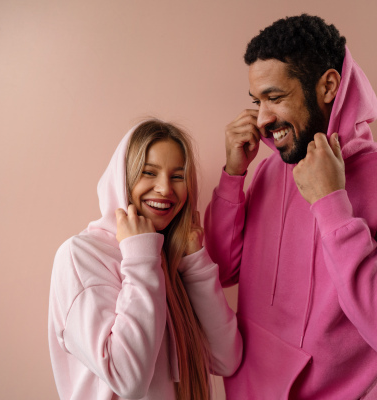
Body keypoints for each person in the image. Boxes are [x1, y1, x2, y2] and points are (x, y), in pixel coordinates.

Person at [204, 14, 377, 399]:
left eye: (275, 97)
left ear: (329, 86)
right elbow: (218, 268)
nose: (262, 119)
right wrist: (234, 175)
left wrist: (331, 203)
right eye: (257, 101)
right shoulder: (270, 170)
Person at [48, 119, 242, 400]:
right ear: (123, 177)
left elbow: (226, 359)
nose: (165, 189)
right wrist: (139, 255)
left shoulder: (170, 258)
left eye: (178, 176)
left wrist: (195, 262)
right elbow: (128, 380)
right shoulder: (81, 255)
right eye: (148, 172)